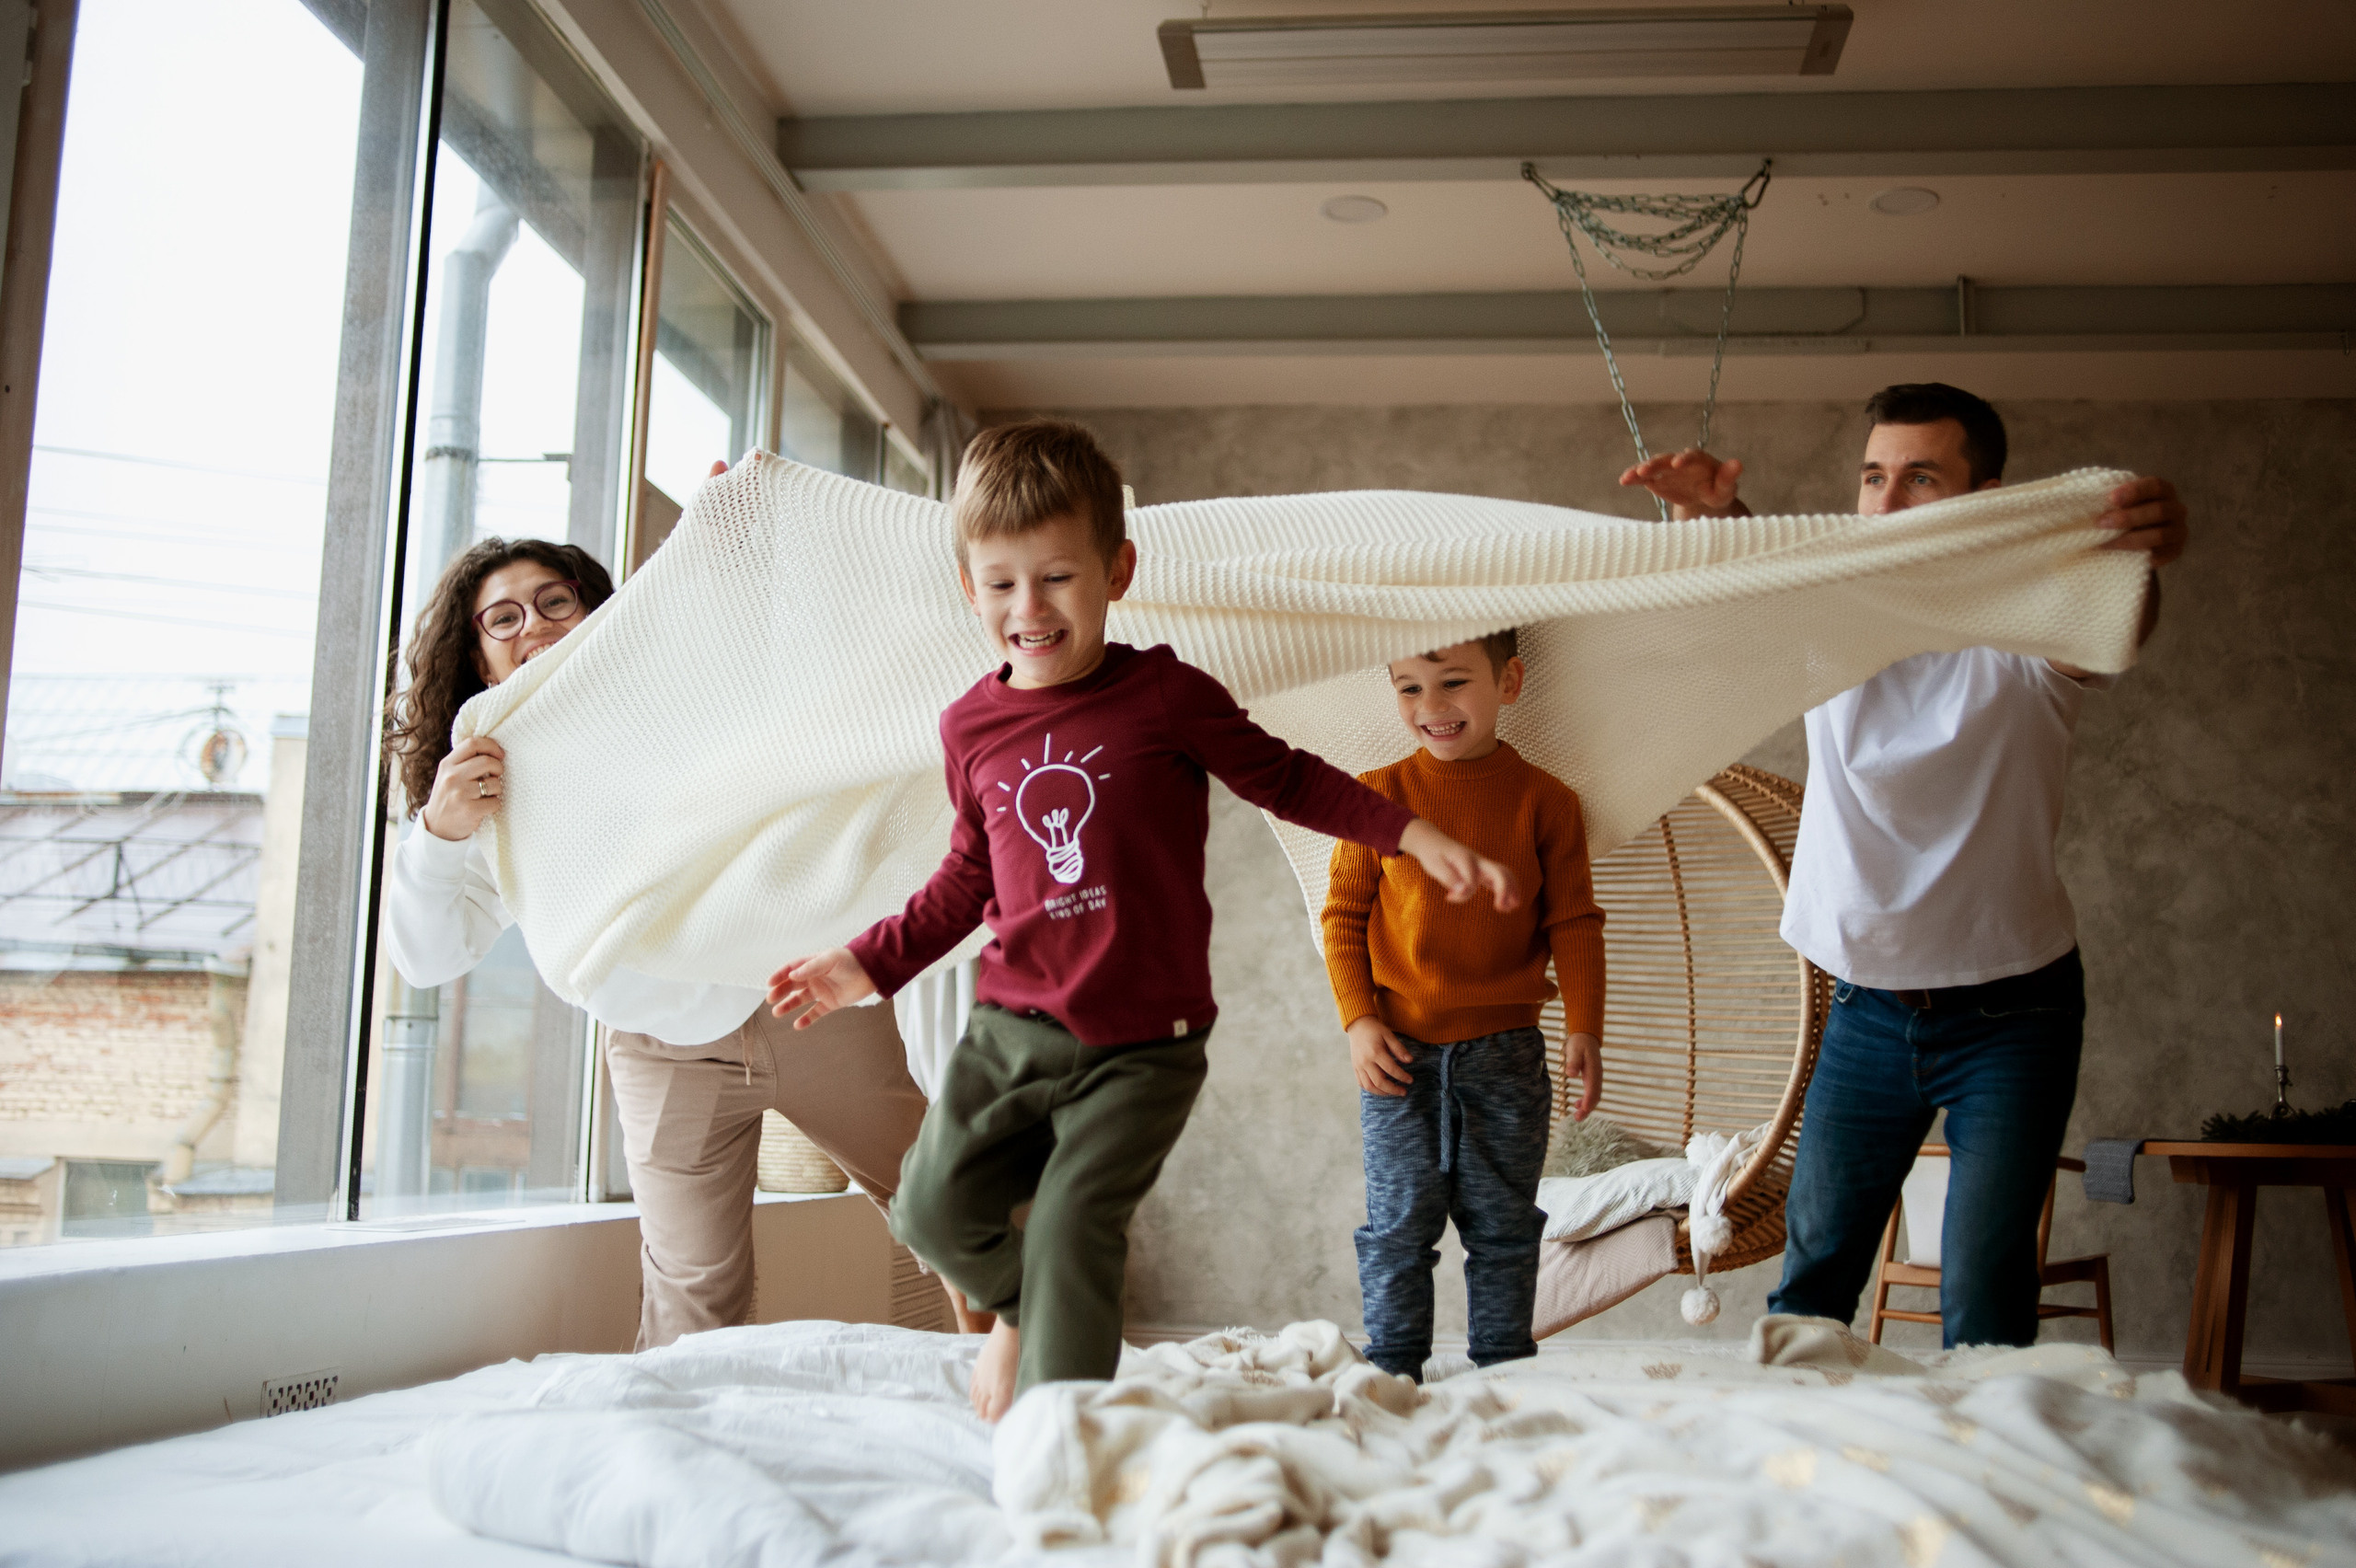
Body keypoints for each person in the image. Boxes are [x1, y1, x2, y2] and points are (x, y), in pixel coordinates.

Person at [768, 419, 1523, 1421]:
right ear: (969, 588)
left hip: (1142, 1045)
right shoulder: (967, 728)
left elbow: (1285, 778)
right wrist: (865, 963)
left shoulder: (1163, 693)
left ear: (1116, 570)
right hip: (1010, 1030)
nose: (1028, 609)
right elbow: (964, 877)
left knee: (1077, 1223)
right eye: (1000, 584)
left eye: (1056, 578)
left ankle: (1067, 1443)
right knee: (929, 1211)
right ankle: (1027, 1313)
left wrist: (1409, 834)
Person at [1621, 382, 2189, 1347]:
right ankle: (1813, 1489)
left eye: (1920, 478)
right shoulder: (1829, 618)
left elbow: (2118, 626)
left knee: (1980, 1300)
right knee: (1812, 1288)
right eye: (1873, 477)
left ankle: (1978, 1485)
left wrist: (2142, 559)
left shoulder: (2031, 628)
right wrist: (1722, 517)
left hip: (2015, 1016)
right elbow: (1760, 576)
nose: (1884, 504)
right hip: (1865, 1013)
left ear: (1984, 497)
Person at [382, 513, 931, 1352]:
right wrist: (440, 832)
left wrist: (737, 539)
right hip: (660, 1049)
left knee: (954, 1211)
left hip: (805, 1000)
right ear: (478, 660)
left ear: (602, 615)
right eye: (504, 618)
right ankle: (676, 1465)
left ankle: (1049, 1388)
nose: (534, 624)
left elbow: (791, 661)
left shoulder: (682, 705)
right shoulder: (485, 792)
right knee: (691, 1301)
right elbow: (427, 961)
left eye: (556, 602)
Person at [1322, 629, 1605, 1380]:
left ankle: (1504, 1369)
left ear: (1508, 683)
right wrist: (1358, 1019)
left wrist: (1585, 1025)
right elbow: (1342, 917)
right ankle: (1393, 1368)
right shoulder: (1378, 796)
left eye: (1453, 682)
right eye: (1410, 687)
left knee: (1506, 1226)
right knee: (1398, 1227)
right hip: (1398, 1055)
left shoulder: (1546, 801)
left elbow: (1573, 919)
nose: (1432, 706)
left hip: (1507, 1054)